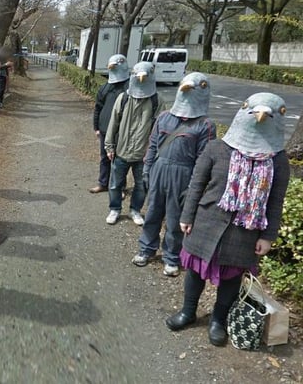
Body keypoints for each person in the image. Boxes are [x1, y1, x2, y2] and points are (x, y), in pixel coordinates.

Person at [165, 92, 290, 347]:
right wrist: (187, 216)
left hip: (245, 230)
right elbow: (196, 184)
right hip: (206, 222)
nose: (261, 114)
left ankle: (218, 321)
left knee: (232, 278)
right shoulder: (217, 148)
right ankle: (188, 312)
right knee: (195, 272)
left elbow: (275, 200)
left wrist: (268, 236)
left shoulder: (278, 160)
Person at [131, 72, 217, 277]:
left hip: (183, 175)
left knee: (174, 219)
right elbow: (152, 145)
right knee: (152, 213)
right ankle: (146, 249)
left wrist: (195, 186)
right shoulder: (164, 117)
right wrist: (147, 170)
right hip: (159, 169)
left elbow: (203, 160)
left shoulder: (205, 125)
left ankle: (172, 257)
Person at [104, 61, 158, 226]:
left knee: (141, 186)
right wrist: (109, 146)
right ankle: (115, 209)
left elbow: (159, 130)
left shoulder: (157, 101)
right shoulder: (124, 98)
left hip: (143, 154)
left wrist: (153, 153)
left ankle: (135, 210)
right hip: (121, 150)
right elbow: (113, 124)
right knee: (115, 184)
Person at [90, 54, 129, 194]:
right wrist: (96, 127)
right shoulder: (105, 87)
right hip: (105, 129)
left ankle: (120, 187)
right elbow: (98, 108)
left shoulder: (130, 87)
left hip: (122, 131)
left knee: (120, 160)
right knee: (104, 158)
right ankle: (103, 183)